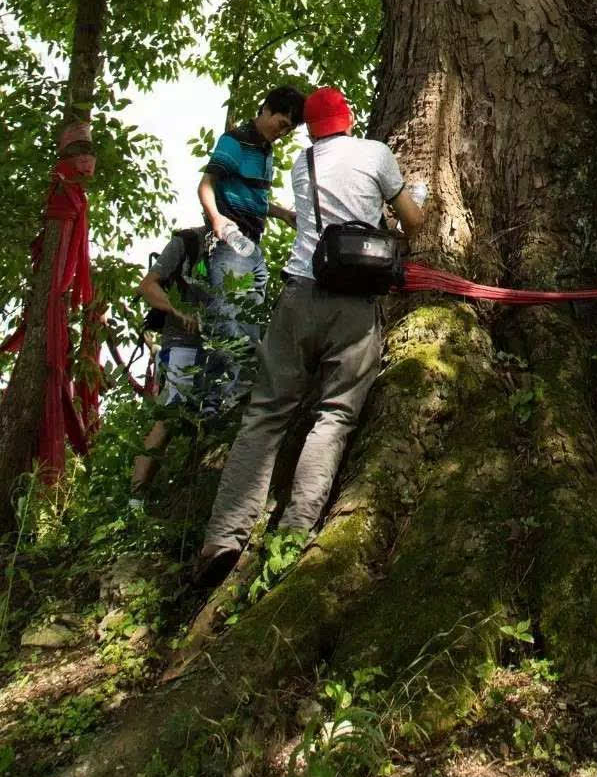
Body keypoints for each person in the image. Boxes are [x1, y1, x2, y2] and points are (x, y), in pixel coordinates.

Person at [195, 86, 426, 587]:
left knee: (266, 413)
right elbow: (413, 220)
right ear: (348, 120)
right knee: (335, 414)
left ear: (312, 128)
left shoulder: (302, 164)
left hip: (299, 295)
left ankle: (223, 535)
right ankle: (296, 531)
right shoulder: (375, 153)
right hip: (354, 305)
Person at [197, 85, 306, 405]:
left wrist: (282, 213)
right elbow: (206, 185)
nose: (283, 132)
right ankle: (217, 402)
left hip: (252, 246)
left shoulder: (265, 150)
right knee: (228, 320)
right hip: (232, 242)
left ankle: (235, 397)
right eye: (282, 123)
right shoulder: (236, 140)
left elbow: (253, 197)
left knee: (248, 324)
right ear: (267, 110)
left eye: (289, 129)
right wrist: (216, 220)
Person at [129, 228, 212, 498]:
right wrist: (178, 311)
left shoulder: (241, 245)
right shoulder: (186, 242)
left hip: (219, 344)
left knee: (210, 415)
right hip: (181, 342)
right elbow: (148, 285)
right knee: (169, 416)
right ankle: (135, 499)